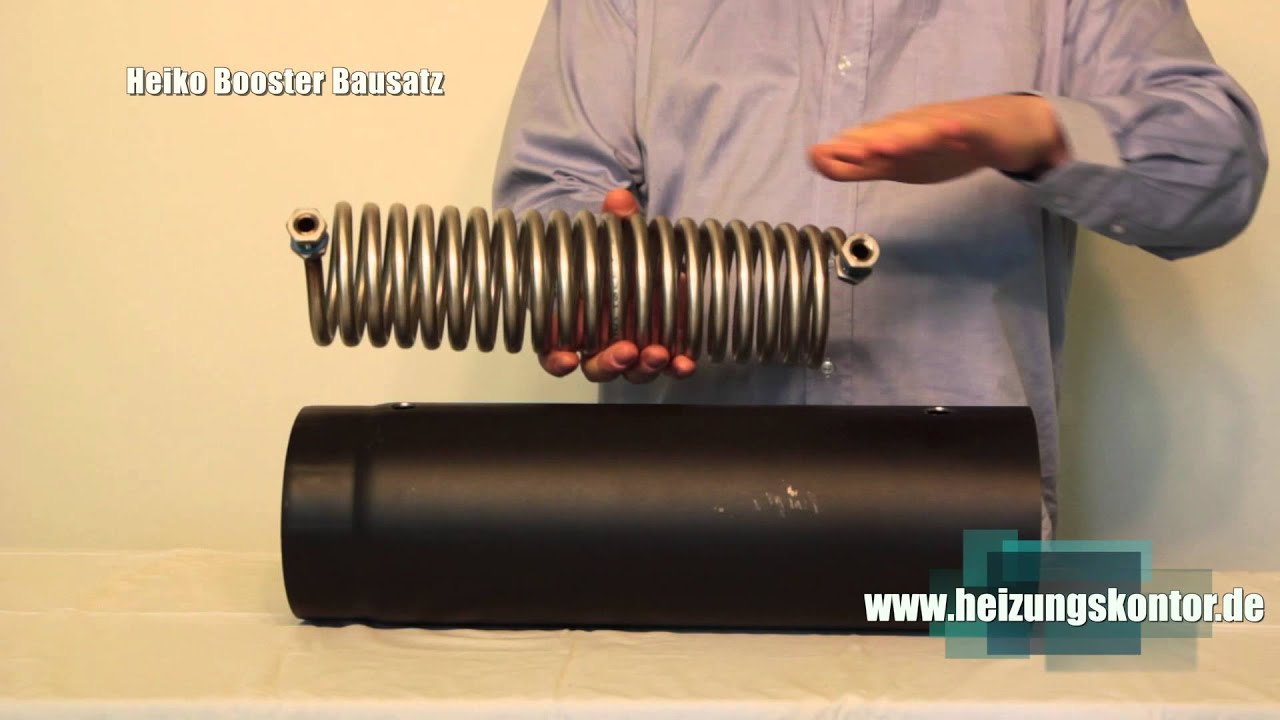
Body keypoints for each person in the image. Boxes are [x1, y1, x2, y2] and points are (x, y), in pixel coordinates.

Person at [492, 1, 1267, 538]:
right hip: (681, 513)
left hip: (969, 533)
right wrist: (600, 285)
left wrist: (1038, 130)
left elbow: (1219, 170)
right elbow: (548, 199)